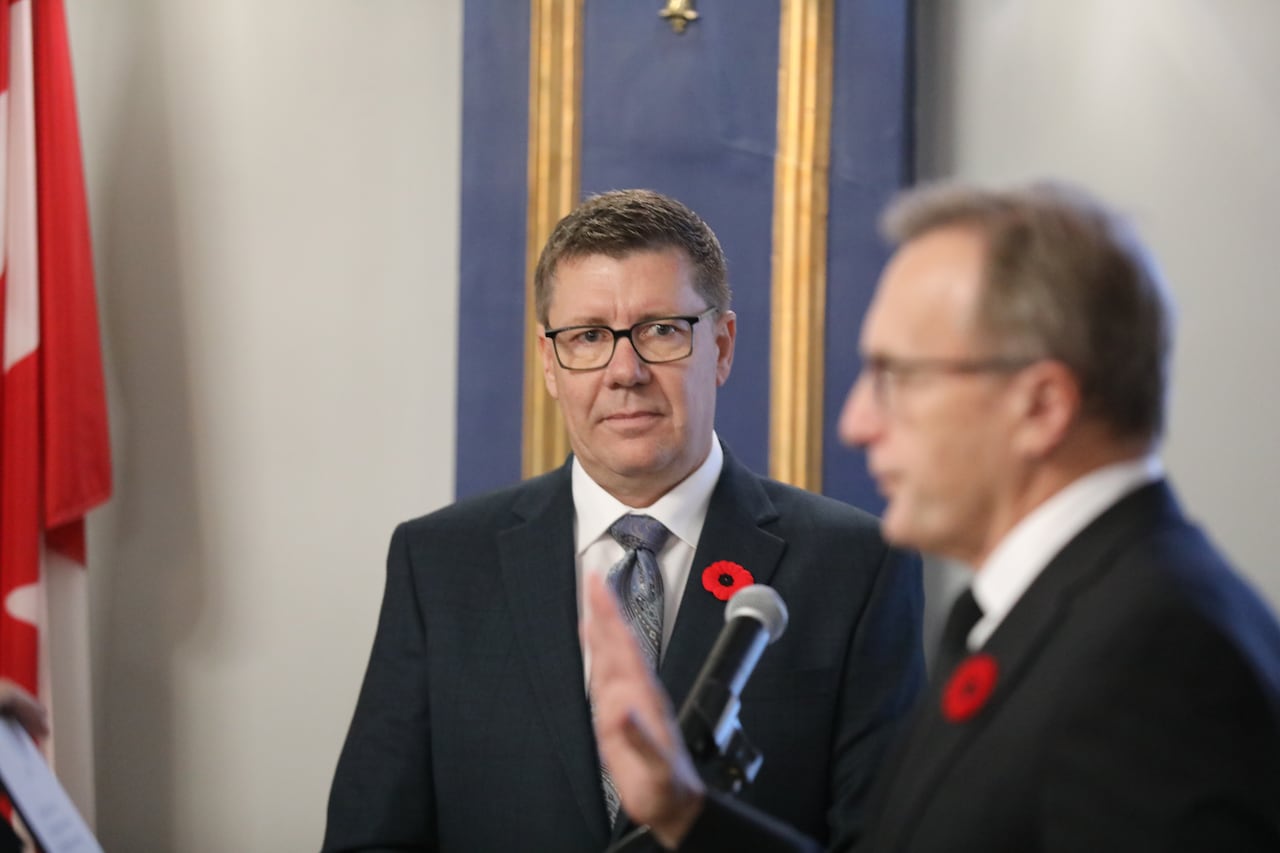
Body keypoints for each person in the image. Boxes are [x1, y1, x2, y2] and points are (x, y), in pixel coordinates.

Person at [584, 180, 1280, 851]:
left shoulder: (1158, 660)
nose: (856, 422)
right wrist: (686, 814)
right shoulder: (1034, 617)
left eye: (899, 376)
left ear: (1040, 406)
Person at [322, 189, 924, 852]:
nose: (625, 372)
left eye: (661, 330)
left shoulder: (855, 565)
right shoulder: (438, 563)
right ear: (550, 363)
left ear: (721, 346)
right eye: (586, 338)